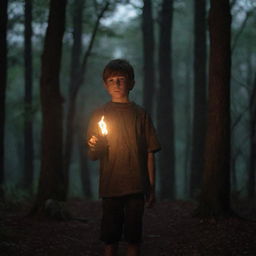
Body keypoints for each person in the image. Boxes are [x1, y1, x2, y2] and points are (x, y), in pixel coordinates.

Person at [87, 59, 161, 256]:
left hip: (137, 187)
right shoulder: (100, 115)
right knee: (110, 238)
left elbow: (150, 153)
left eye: (121, 79)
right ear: (105, 85)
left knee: (133, 238)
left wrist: (151, 186)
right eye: (111, 80)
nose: (117, 84)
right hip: (111, 187)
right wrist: (96, 145)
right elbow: (93, 155)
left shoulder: (141, 115)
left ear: (132, 83)